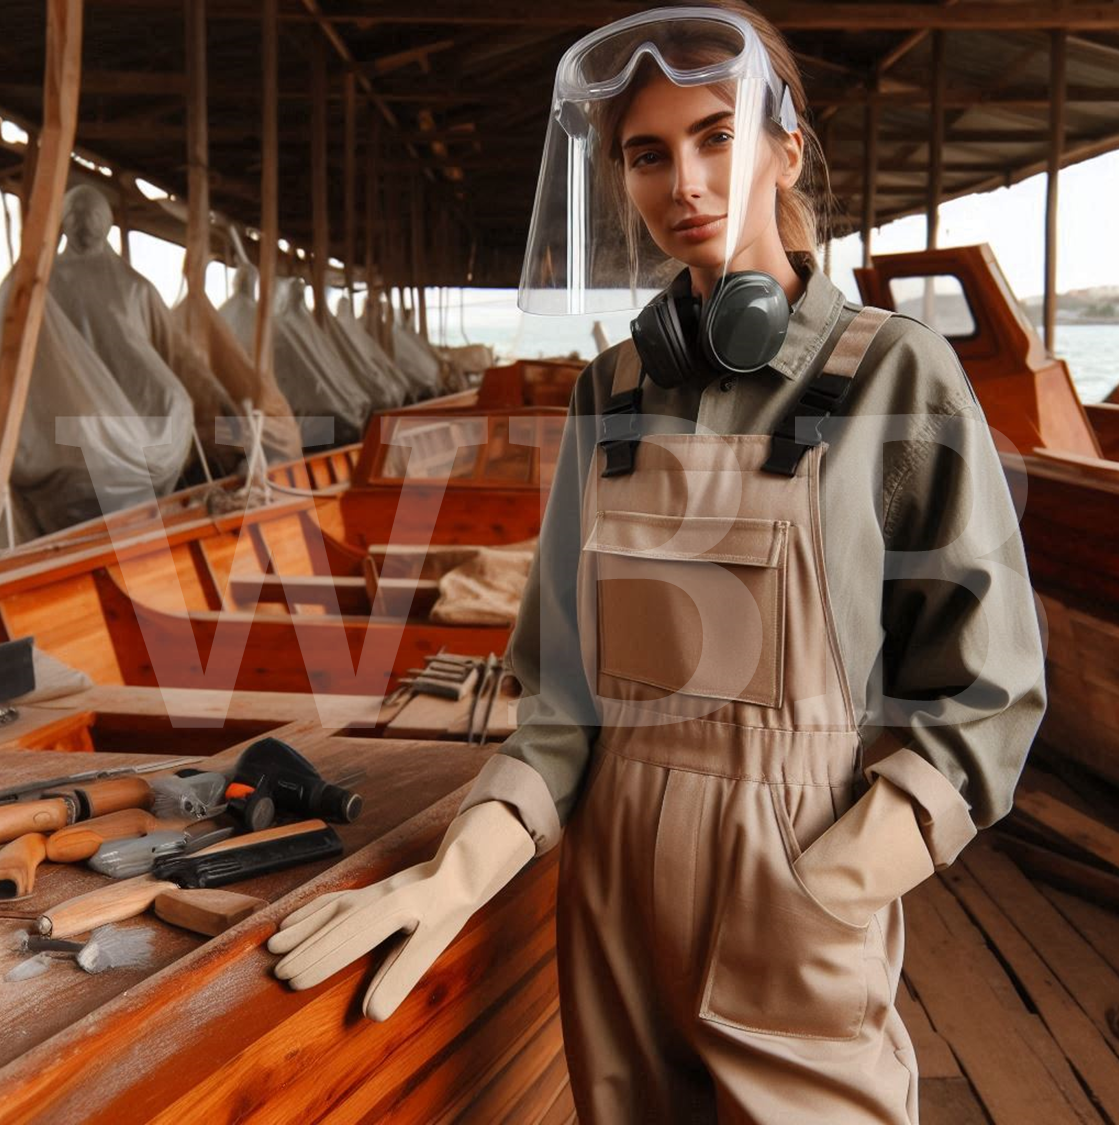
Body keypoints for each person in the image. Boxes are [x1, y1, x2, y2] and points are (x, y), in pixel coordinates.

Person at [269, 6, 1047, 1122]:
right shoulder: (614, 391)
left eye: (717, 136)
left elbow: (984, 698)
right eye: (648, 152)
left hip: (793, 873)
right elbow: (562, 695)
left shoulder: (895, 375)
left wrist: (824, 890)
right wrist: (463, 868)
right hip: (609, 885)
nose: (684, 180)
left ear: (787, 147)